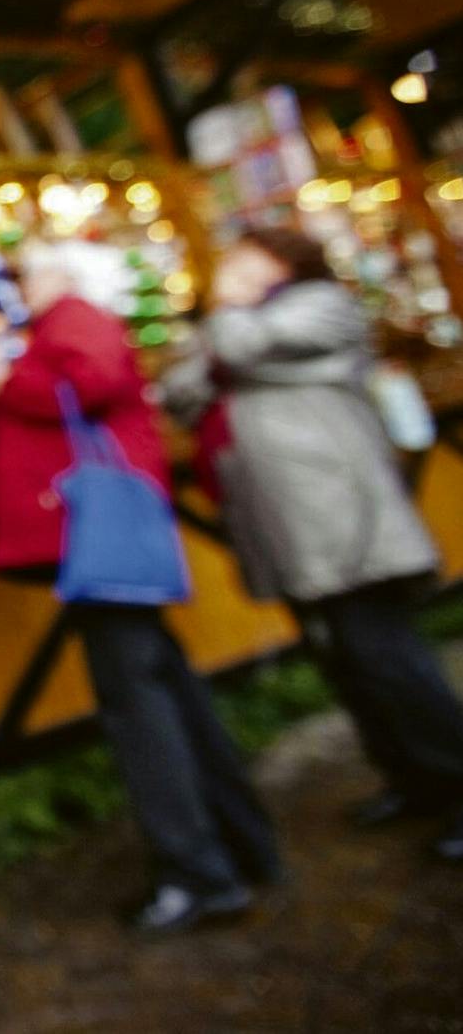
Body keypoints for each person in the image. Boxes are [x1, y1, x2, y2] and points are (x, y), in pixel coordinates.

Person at [0, 242, 280, 933]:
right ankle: (241, 845)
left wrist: (7, 383)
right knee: (168, 692)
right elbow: (36, 411)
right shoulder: (55, 330)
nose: (25, 283)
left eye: (34, 271)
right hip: (100, 539)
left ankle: (198, 873)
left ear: (64, 275)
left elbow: (92, 381)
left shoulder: (75, 317)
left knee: (140, 709)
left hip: (94, 538)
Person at [164, 228, 463, 861]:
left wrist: (227, 315)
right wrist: (224, 341)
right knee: (344, 659)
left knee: (387, 655)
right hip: (287, 524)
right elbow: (180, 392)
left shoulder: (321, 305)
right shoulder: (238, 328)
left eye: (248, 260)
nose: (232, 270)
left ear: (285, 265)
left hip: (343, 518)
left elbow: (234, 352)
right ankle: (415, 778)